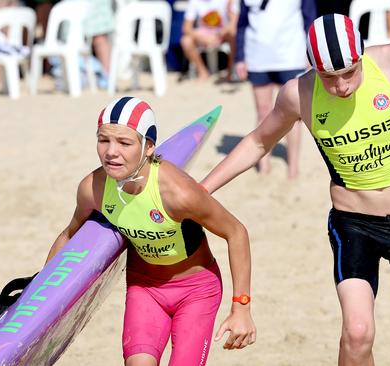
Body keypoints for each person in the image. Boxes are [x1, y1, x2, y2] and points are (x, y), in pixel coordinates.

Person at [202, 14, 390, 366]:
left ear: (361, 55)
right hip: (354, 224)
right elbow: (258, 142)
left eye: (350, 72)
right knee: (357, 333)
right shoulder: (298, 94)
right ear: (313, 68)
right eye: (330, 78)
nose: (343, 86)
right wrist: (202, 189)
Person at [45, 96, 256, 365]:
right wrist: (39, 294)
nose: (111, 152)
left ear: (148, 147)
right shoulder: (93, 188)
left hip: (196, 291)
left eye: (124, 143)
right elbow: (69, 235)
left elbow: (236, 232)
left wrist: (241, 306)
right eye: (103, 140)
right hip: (144, 287)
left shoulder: (178, 192)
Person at [235, 0, 317, 179]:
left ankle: (293, 167)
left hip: (291, 55)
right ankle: (264, 165)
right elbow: (242, 22)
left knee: (294, 114)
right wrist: (239, 58)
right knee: (263, 111)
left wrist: (311, 53)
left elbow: (310, 17)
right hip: (257, 55)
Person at [180, 0, 238, 81]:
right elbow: (186, 28)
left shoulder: (227, 1)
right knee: (186, 41)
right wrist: (204, 38)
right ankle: (202, 72)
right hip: (203, 35)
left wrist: (219, 34)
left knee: (234, 34)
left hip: (222, 33)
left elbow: (234, 23)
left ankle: (230, 72)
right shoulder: (194, 2)